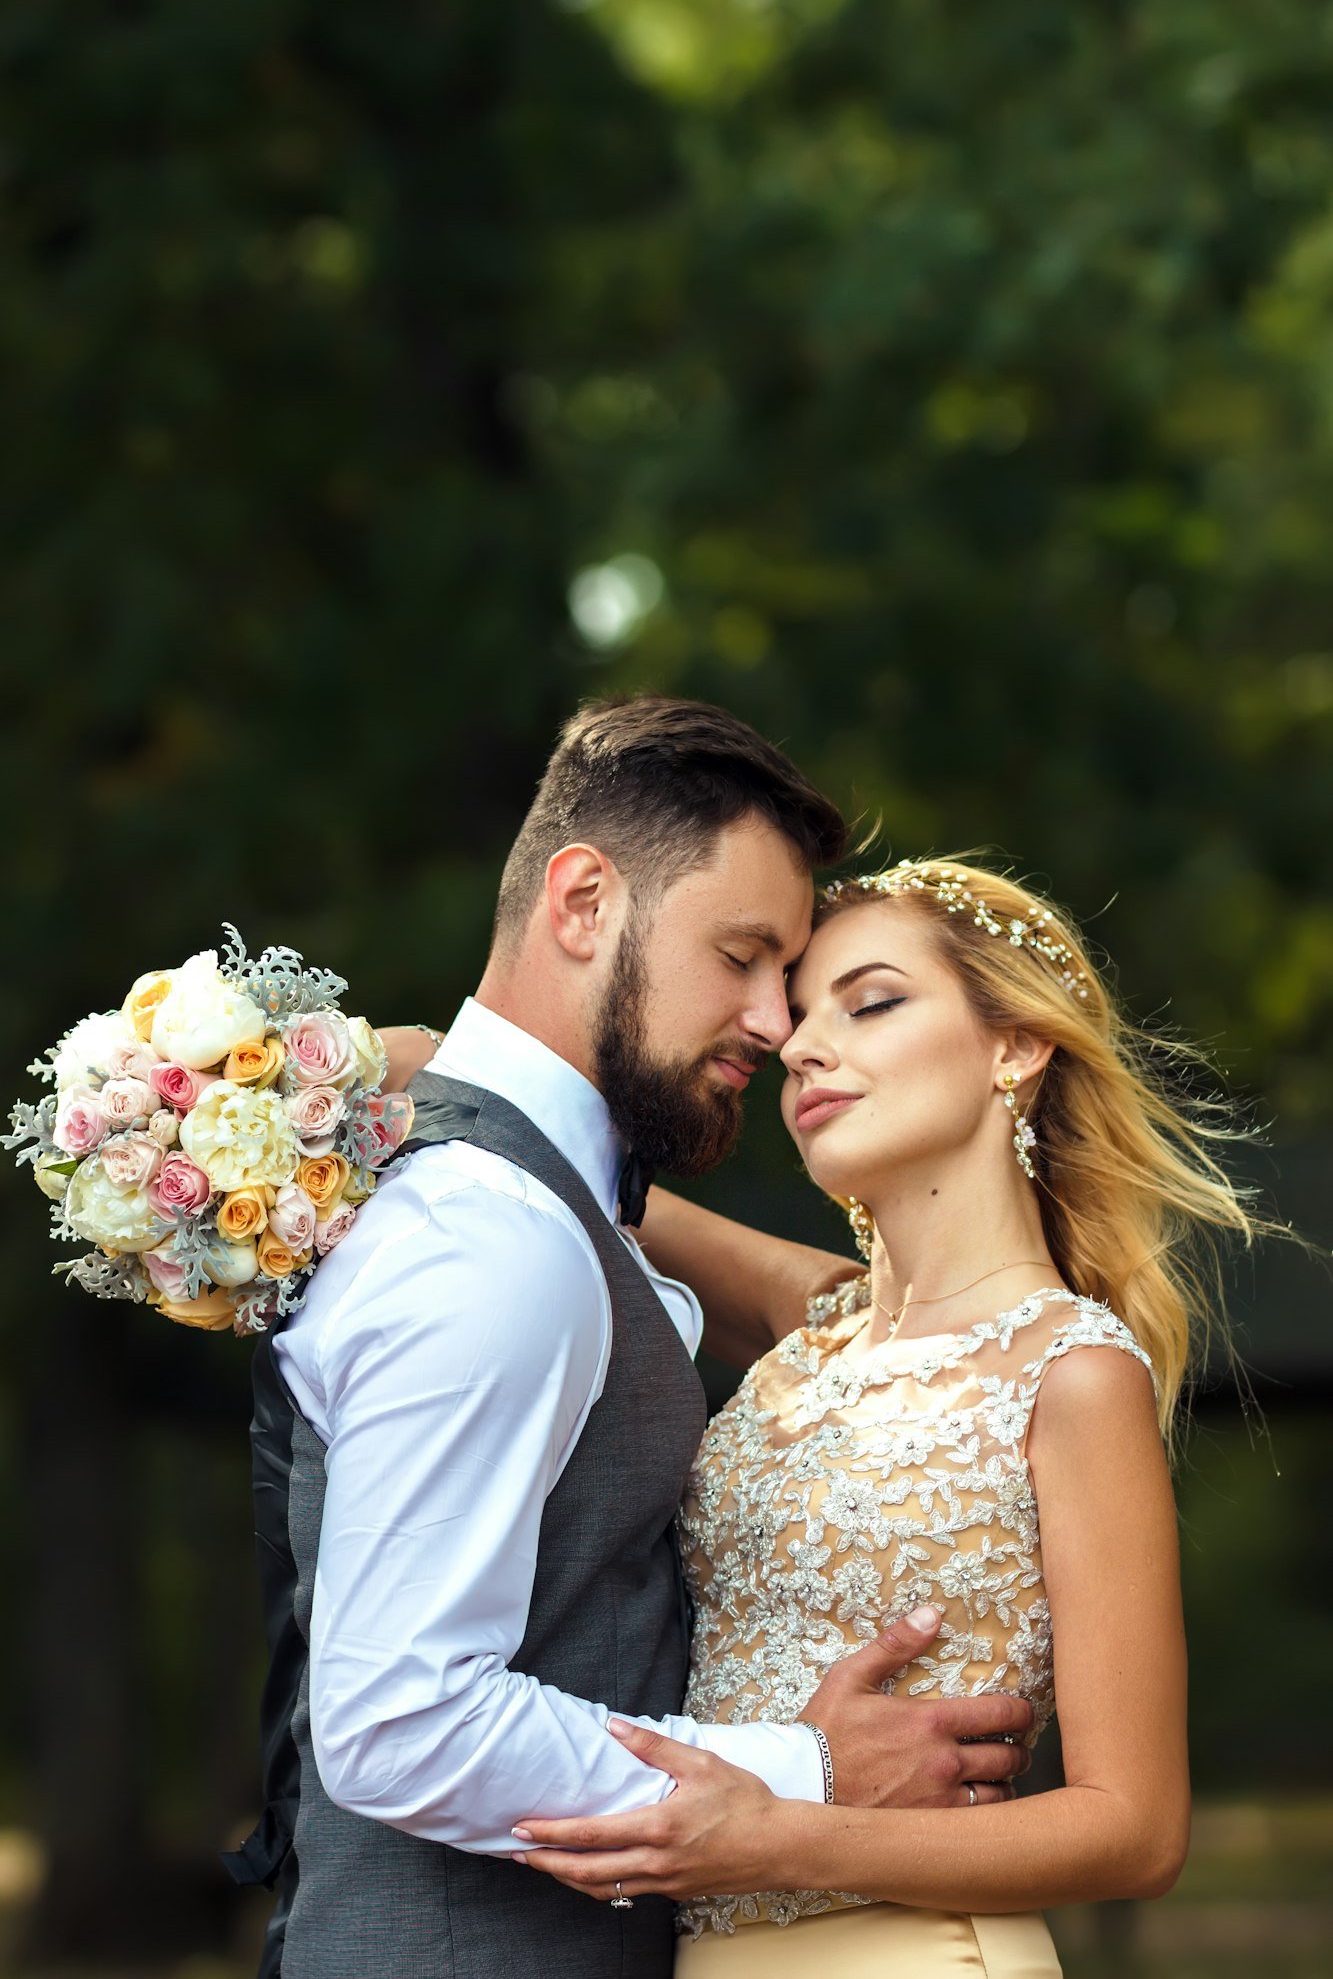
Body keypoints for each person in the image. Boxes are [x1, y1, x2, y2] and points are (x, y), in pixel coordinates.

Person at [230, 703, 1034, 1979]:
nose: (776, 1022)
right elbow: (399, 1719)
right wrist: (803, 1771)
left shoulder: (530, 1198)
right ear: (584, 900)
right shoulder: (495, 1238)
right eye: (743, 954)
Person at [507, 856, 1260, 1974]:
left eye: (870, 1002)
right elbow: (601, 1189)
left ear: (1014, 1045)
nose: (802, 1044)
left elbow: (1135, 1825)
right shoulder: (817, 1324)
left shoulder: (1071, 1372)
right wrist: (460, 1087)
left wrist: (778, 1833)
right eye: (799, 1018)